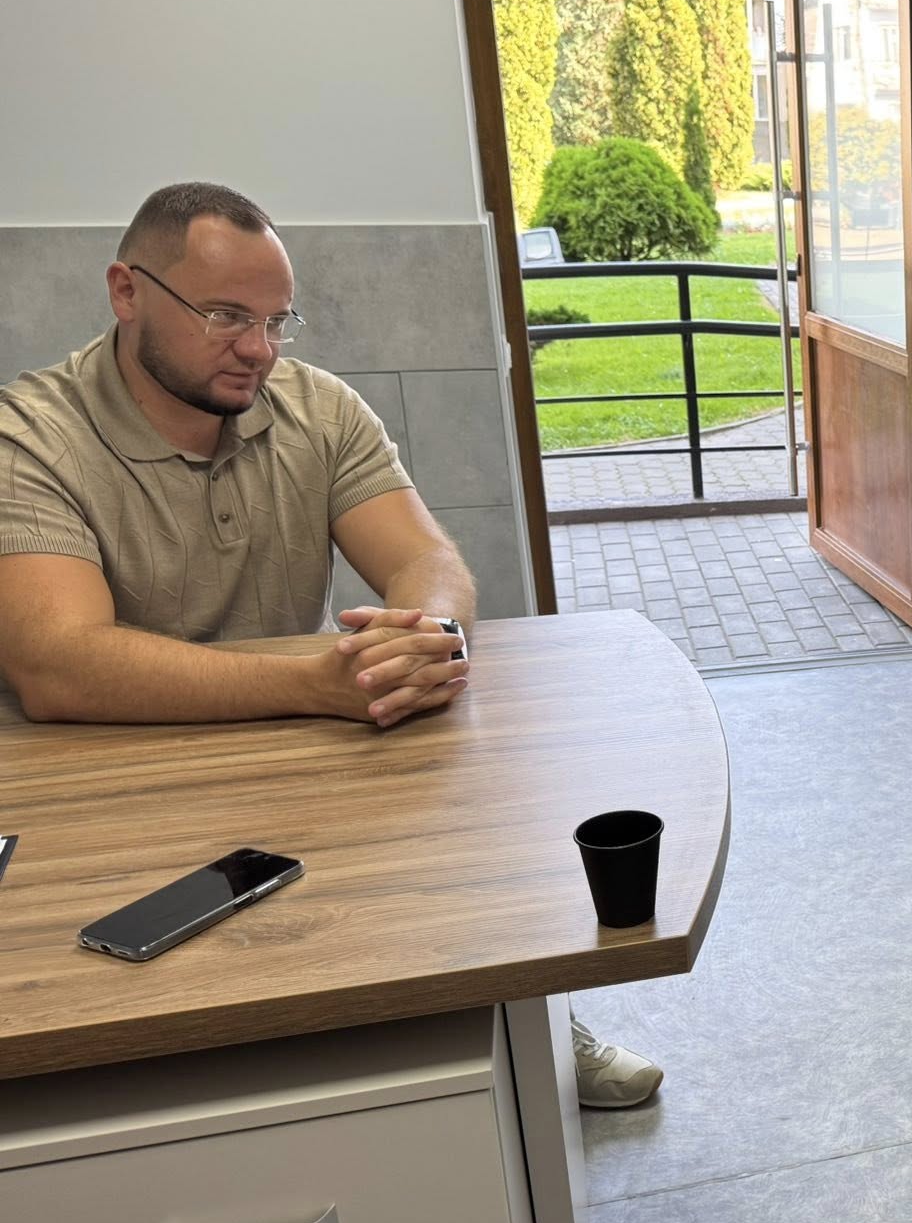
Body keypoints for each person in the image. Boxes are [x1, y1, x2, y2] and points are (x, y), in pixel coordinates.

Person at [0, 181, 661, 1110]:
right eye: (225, 316)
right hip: (110, 766)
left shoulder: (317, 407)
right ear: (127, 291)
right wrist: (316, 685)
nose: (259, 349)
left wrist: (423, 638)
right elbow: (58, 665)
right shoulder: (30, 435)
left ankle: (527, 1015)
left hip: (296, 735)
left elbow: (428, 561)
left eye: (277, 320)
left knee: (450, 816)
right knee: (136, 995)